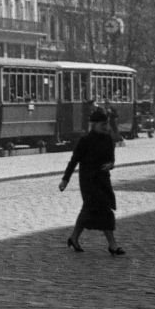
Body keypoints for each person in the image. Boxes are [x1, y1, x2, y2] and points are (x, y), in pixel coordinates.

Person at [60, 108, 125, 256]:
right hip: (89, 182)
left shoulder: (108, 139)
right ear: (93, 125)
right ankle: (112, 245)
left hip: (103, 180)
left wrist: (111, 165)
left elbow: (111, 158)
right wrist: (65, 180)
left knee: (92, 211)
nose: (106, 126)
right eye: (103, 124)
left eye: (106, 123)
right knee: (102, 210)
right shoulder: (85, 141)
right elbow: (74, 161)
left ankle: (74, 238)